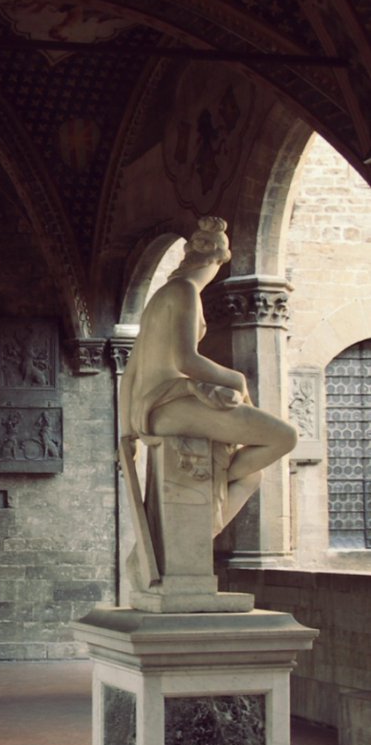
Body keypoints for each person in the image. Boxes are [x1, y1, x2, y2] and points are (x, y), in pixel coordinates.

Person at [120, 217, 296, 534]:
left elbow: (131, 371)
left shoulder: (160, 298)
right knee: (284, 436)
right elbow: (186, 359)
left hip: (151, 410)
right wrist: (236, 380)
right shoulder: (185, 291)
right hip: (170, 406)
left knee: (252, 476)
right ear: (216, 261)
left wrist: (127, 432)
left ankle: (196, 531)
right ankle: (199, 507)